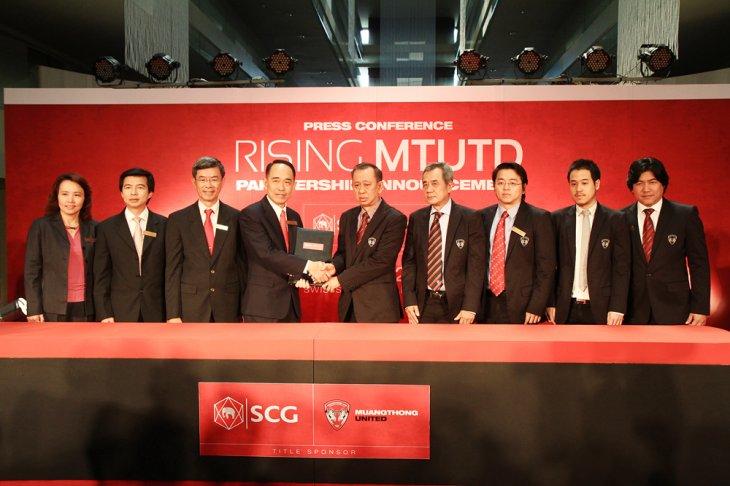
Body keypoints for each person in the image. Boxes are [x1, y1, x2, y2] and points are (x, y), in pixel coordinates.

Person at [239, 159, 329, 322]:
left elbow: (298, 254)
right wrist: (309, 266)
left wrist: (303, 277)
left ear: (294, 185)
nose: (281, 187)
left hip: (292, 306)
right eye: (276, 181)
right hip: (263, 307)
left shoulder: (294, 216)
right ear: (265, 182)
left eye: (287, 182)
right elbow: (266, 253)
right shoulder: (251, 215)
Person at [622, 157, 710, 325]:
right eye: (639, 183)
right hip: (632, 309)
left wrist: (700, 307)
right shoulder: (620, 218)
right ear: (632, 187)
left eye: (652, 182)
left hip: (675, 307)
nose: (646, 189)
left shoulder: (685, 215)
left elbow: (699, 264)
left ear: (663, 184)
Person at [546, 159, 630, 325]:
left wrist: (617, 307)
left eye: (584, 183)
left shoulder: (616, 220)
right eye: (574, 184)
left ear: (596, 184)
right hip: (565, 307)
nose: (579, 189)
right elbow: (548, 266)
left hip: (603, 307)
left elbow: (622, 268)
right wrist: (550, 302)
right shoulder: (557, 219)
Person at [402, 162, 486, 324]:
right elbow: (409, 263)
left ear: (450, 186)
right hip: (423, 304)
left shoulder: (470, 218)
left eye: (434, 183)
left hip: (458, 307)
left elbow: (476, 266)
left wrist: (470, 306)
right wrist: (409, 300)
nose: (428, 189)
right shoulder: (417, 218)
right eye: (425, 184)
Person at [322, 163, 407, 322]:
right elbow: (343, 254)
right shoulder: (348, 217)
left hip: (379, 308)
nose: (361, 190)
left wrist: (340, 280)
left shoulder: (395, 219)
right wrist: (333, 266)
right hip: (349, 306)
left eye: (367, 185)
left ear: (380, 186)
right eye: (356, 185)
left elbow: (381, 262)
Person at [165, 156, 245, 322]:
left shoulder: (237, 218)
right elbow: (173, 269)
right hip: (191, 307)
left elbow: (242, 265)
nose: (208, 185)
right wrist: (173, 314)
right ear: (194, 182)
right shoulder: (178, 220)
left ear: (222, 181)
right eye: (202, 179)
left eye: (214, 179)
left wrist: (244, 310)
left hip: (228, 306)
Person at [480, 162, 555, 324]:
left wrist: (536, 306)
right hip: (485, 304)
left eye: (512, 183)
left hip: (524, 306)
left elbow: (546, 268)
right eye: (500, 182)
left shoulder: (539, 218)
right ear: (494, 186)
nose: (506, 188)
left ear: (524, 187)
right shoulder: (481, 217)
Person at [93, 168, 167, 322]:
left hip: (157, 310)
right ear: (121, 193)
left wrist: (172, 313)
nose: (133, 193)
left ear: (150, 193)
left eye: (140, 187)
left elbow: (171, 271)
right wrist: (104, 313)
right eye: (128, 187)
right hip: (119, 310)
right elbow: (101, 275)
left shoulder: (165, 225)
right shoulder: (106, 228)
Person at [24, 173, 96, 322]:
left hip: (87, 307)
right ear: (56, 197)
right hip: (52, 308)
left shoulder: (96, 228)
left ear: (85, 199)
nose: (70, 200)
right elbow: (32, 271)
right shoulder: (41, 226)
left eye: (77, 195)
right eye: (65, 194)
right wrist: (34, 308)